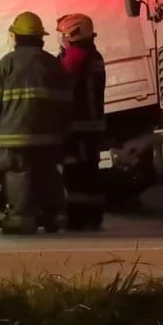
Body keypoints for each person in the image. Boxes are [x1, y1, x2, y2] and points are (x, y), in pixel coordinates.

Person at [0, 11, 71, 235]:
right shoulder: (53, 64)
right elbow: (67, 102)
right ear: (41, 37)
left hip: (14, 137)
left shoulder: (6, 64)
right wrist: (64, 131)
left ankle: (22, 217)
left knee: (18, 174)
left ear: (15, 36)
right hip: (49, 137)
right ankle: (55, 215)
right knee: (49, 173)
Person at [55, 13, 108, 231]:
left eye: (63, 35)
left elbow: (60, 82)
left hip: (78, 126)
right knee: (90, 170)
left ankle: (78, 218)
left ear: (72, 33)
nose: (62, 40)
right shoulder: (93, 55)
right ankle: (93, 216)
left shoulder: (76, 55)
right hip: (92, 124)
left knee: (76, 172)